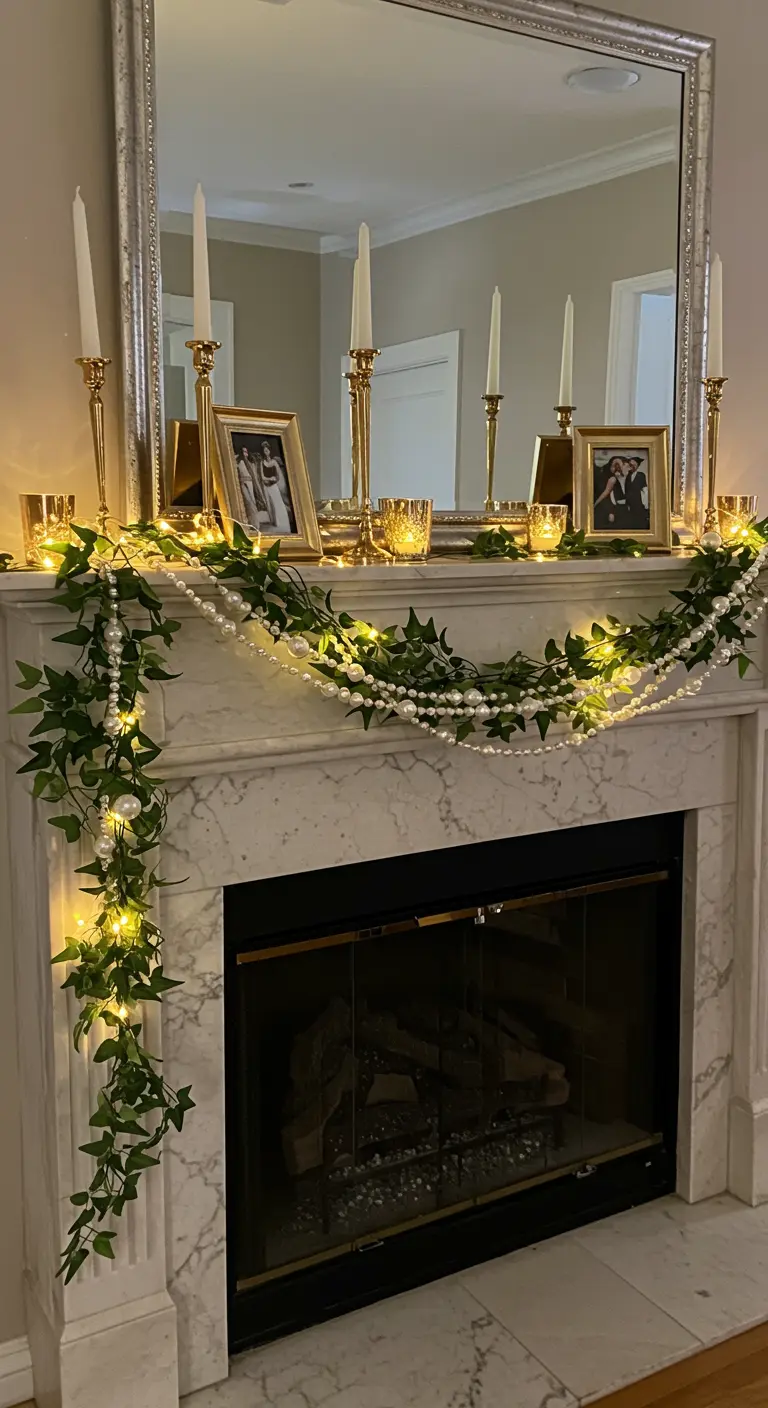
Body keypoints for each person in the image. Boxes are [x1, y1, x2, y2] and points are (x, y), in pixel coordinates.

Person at [259, 439, 295, 534]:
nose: (266, 452)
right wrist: (270, 478)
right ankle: (275, 522)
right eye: (264, 451)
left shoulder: (274, 462)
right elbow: (262, 476)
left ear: (269, 451)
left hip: (274, 486)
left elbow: (278, 476)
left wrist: (273, 479)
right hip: (267, 486)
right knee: (271, 504)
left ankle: (283, 523)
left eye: (267, 450)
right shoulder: (262, 463)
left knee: (278, 503)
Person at [236, 445, 266, 530]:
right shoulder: (239, 462)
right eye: (243, 452)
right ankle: (252, 524)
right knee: (249, 503)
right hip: (244, 484)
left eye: (246, 452)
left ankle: (255, 524)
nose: (245, 454)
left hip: (251, 484)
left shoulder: (249, 463)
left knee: (253, 502)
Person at [593, 456, 628, 530]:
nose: (616, 467)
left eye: (618, 465)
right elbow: (606, 493)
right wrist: (595, 505)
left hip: (620, 506)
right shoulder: (611, 478)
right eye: (614, 465)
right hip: (612, 506)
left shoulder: (621, 478)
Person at [624, 456, 650, 531]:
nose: (631, 467)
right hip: (629, 503)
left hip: (639, 503)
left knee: (640, 522)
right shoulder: (628, 476)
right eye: (630, 465)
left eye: (634, 465)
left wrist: (645, 505)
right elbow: (626, 490)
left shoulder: (641, 475)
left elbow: (645, 490)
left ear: (637, 466)